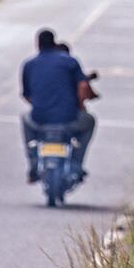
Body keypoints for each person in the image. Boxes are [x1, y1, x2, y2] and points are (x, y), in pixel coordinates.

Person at [20, 29, 96, 183]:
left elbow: (26, 95)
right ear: (54, 43)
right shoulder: (70, 61)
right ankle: (76, 163)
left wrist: (40, 105)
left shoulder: (29, 64)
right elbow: (82, 86)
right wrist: (80, 106)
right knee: (90, 121)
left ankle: (33, 165)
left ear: (37, 44)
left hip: (39, 119)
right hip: (69, 118)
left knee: (25, 119)